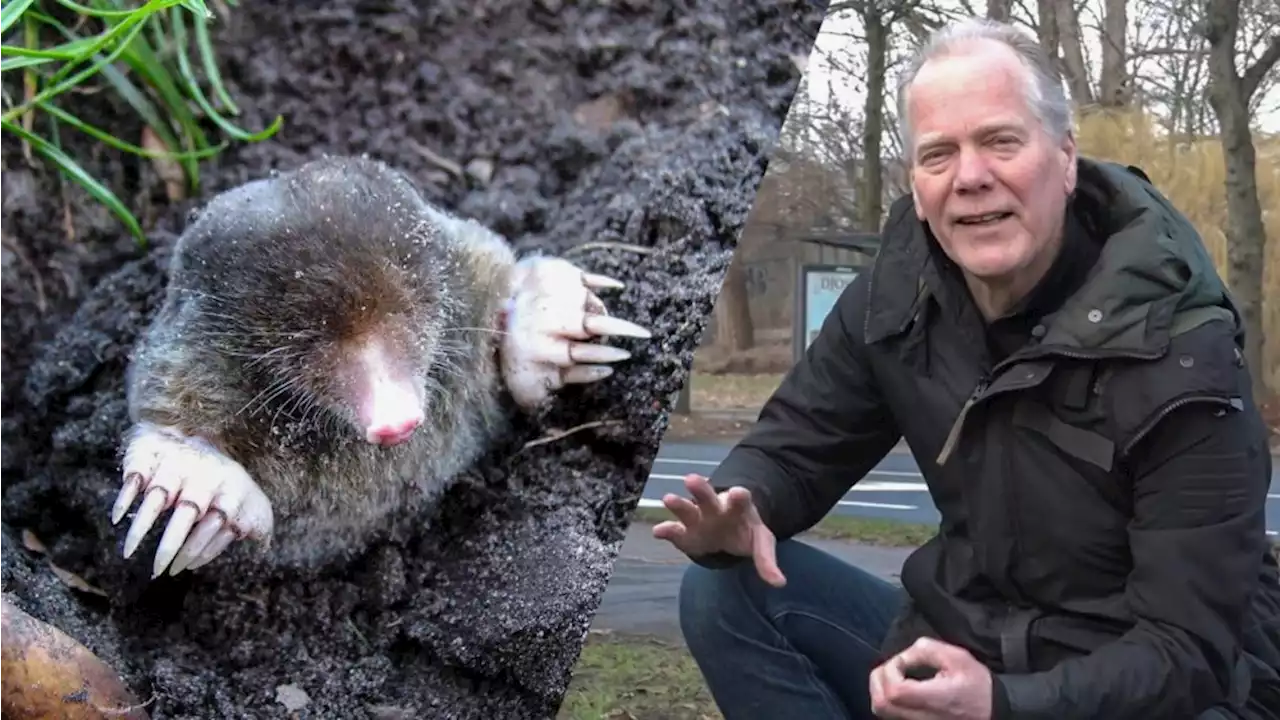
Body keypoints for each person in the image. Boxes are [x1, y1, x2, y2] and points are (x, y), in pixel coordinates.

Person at [654, 16, 1280, 720]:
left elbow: (1188, 652)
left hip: (1159, 689)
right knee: (727, 593)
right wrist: (745, 505)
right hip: (972, 652)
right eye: (939, 154)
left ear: (1066, 159)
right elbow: (797, 441)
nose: (971, 178)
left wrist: (1005, 704)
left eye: (1000, 142)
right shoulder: (898, 296)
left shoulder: (1180, 344)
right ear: (916, 185)